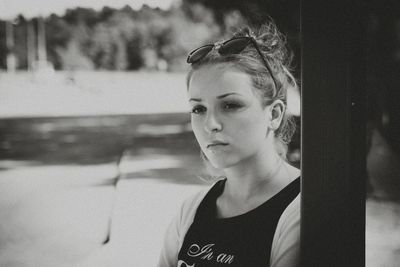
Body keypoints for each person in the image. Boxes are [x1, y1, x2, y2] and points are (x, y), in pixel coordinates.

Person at [158, 21, 301, 267]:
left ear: (274, 114)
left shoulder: (301, 211)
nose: (210, 124)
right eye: (198, 108)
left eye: (230, 105)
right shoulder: (191, 212)